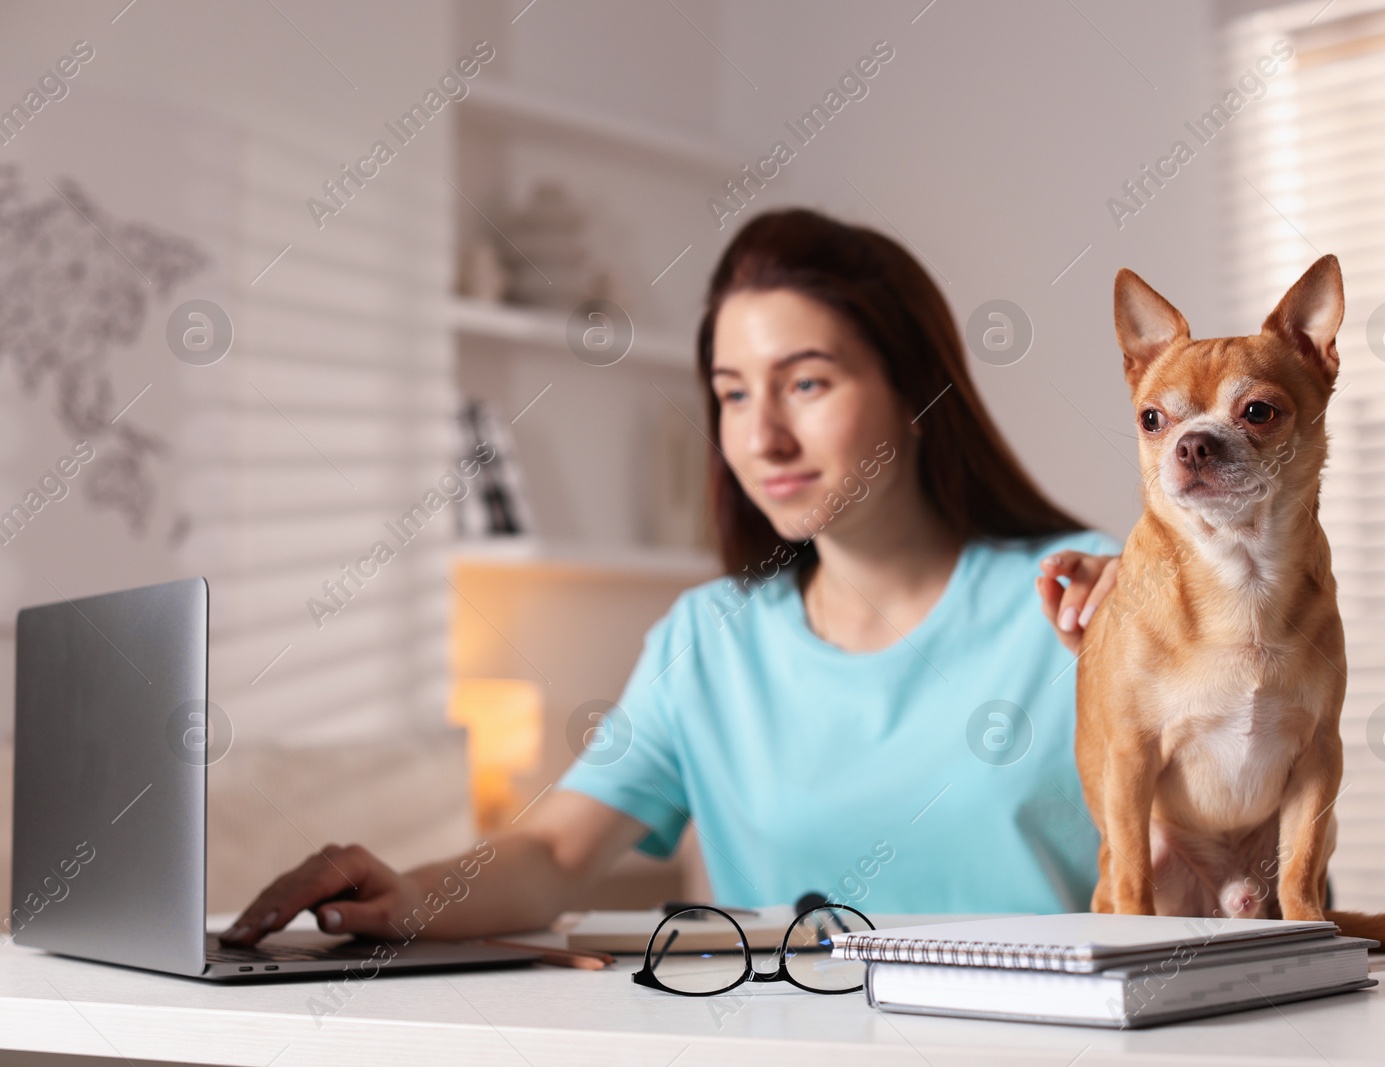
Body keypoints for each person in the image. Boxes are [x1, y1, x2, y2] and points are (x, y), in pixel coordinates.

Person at [220, 208, 1120, 947]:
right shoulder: (710, 640)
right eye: (732, 393)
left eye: (805, 384)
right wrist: (410, 895)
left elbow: (1229, 855)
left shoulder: (1087, 602)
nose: (761, 437)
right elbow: (555, 854)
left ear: (919, 392)